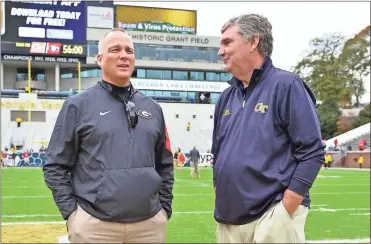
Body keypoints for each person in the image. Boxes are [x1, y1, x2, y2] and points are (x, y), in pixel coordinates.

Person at [42, 28, 174, 243]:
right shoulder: (78, 105)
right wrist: (72, 214)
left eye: (129, 51)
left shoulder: (153, 108)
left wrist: (164, 208)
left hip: (149, 225)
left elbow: (165, 163)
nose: (124, 55)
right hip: (95, 226)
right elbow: (55, 164)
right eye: (115, 49)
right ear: (100, 59)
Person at [211, 14, 325, 243]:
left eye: (227, 43)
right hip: (229, 220)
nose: (220, 52)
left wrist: (284, 210)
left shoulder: (286, 85)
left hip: (271, 217)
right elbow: (218, 154)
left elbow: (312, 153)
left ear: (253, 42)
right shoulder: (226, 97)